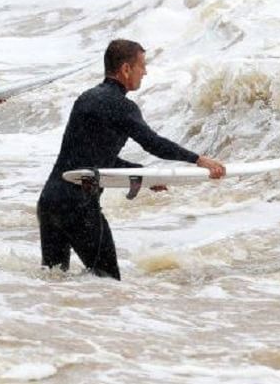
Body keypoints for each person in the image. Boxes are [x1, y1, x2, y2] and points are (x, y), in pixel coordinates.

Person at [37, 39, 226, 280]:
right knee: (108, 283)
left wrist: (144, 176)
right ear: (126, 69)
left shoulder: (85, 99)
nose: (145, 72)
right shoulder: (122, 106)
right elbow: (153, 143)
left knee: (54, 281)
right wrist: (198, 159)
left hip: (50, 202)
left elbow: (95, 159)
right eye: (142, 66)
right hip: (78, 207)